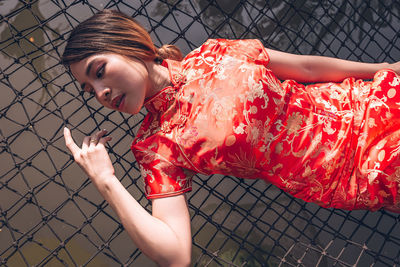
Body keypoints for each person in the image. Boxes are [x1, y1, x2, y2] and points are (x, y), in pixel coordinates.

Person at [61, 9, 400, 266]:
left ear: (130, 45)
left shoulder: (215, 53)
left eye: (99, 71)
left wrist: (385, 68)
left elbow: (307, 69)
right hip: (360, 172)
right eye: (89, 89)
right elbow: (176, 254)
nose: (101, 93)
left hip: (373, 103)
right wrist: (105, 181)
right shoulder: (155, 147)